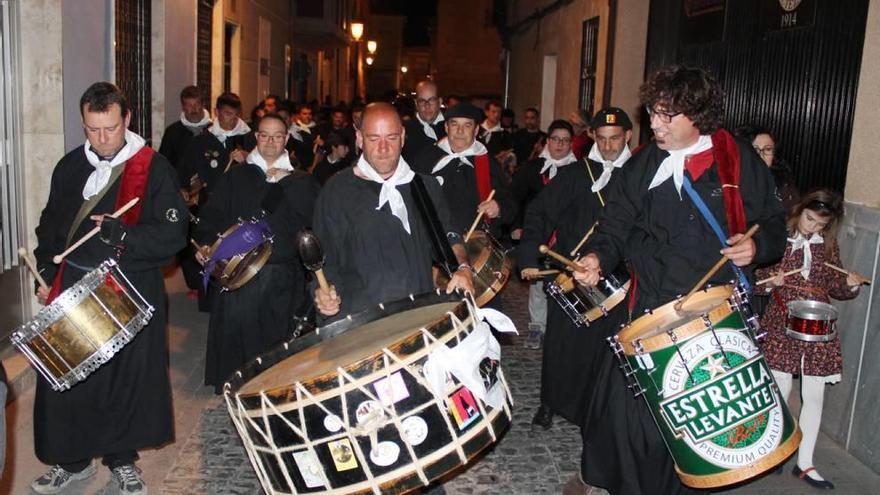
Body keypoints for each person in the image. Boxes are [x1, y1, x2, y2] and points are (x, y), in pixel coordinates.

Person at [570, 65, 787, 495]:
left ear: (697, 115)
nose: (654, 123)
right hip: (651, 306)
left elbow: (773, 222)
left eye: (667, 115)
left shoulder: (737, 158)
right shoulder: (640, 168)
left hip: (714, 313)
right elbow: (614, 227)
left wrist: (756, 248)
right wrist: (596, 256)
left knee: (699, 422)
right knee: (629, 416)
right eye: (653, 112)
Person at [30, 81, 188, 495]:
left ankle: (122, 461)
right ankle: (72, 462)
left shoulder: (152, 168)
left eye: (110, 129)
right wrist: (46, 271)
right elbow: (50, 226)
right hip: (74, 286)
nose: (101, 140)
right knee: (69, 382)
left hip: (128, 288)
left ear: (127, 120)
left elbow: (174, 235)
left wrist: (123, 235)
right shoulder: (68, 167)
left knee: (124, 382)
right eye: (92, 129)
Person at [519, 109, 633, 435]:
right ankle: (550, 402)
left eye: (615, 138)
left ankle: (595, 409)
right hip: (569, 275)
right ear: (593, 138)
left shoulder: (639, 176)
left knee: (603, 349)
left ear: (627, 136)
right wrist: (529, 255)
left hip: (616, 279)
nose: (609, 146)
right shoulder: (574, 174)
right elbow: (539, 213)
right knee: (561, 346)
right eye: (602, 138)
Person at [195, 113, 319, 393]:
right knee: (240, 342)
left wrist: (285, 184)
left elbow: (314, 222)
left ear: (287, 138)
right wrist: (204, 246)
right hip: (241, 277)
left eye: (278, 135)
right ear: (256, 137)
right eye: (265, 135)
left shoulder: (301, 182)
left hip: (283, 278)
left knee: (277, 345)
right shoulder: (236, 177)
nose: (271, 142)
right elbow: (211, 217)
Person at [313, 103, 473, 319]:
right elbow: (324, 257)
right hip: (359, 321)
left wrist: (462, 268)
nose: (383, 148)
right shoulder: (337, 190)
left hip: (417, 317)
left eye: (391, 137)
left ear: (403, 137)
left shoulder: (425, 186)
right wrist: (323, 293)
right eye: (373, 138)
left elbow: (449, 237)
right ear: (359, 138)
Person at [756, 190, 868, 490]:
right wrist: (770, 281)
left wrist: (848, 284)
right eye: (809, 219)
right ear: (800, 210)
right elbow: (756, 280)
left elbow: (834, 284)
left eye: (820, 224)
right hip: (783, 320)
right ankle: (777, 452)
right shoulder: (778, 237)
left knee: (814, 395)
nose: (812, 227)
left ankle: (805, 463)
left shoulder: (826, 246)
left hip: (817, 324)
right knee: (781, 389)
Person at [511, 119, 578, 350]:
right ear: (548, 141)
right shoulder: (532, 168)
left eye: (565, 140)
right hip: (538, 233)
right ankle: (537, 327)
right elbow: (516, 198)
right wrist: (516, 226)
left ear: (571, 143)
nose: (559, 145)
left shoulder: (580, 170)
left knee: (565, 282)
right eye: (555, 139)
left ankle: (562, 327)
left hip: (566, 236)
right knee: (538, 283)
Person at [412, 102, 517, 249]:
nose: (460, 131)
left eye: (467, 125)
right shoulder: (426, 159)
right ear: (446, 127)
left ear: (476, 130)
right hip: (433, 245)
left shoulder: (487, 162)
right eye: (454, 124)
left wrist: (498, 207)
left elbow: (510, 203)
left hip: (476, 246)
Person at [181, 92, 255, 201]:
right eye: (228, 114)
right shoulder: (202, 140)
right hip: (210, 199)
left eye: (237, 115)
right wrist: (183, 188)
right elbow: (184, 169)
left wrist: (249, 158)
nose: (233, 119)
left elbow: (263, 169)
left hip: (241, 198)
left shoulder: (249, 137)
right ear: (216, 112)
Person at [735, 124, 800, 211]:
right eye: (755, 150)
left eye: (768, 149)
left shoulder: (783, 185)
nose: (761, 155)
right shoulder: (729, 181)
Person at [158, 85, 211, 184]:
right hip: (181, 189)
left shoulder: (214, 130)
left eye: (197, 104)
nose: (194, 109)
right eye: (189, 105)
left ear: (203, 105)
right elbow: (164, 164)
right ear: (183, 107)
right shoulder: (172, 132)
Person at [402, 80, 446, 164]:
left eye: (432, 100)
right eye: (422, 101)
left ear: (440, 102)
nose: (427, 106)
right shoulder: (405, 130)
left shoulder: (453, 127)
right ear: (416, 103)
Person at [288, 103, 318, 171]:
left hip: (312, 164)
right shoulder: (294, 129)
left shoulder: (317, 128)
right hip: (297, 165)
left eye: (309, 114)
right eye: (304, 114)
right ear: (299, 115)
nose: (307, 116)